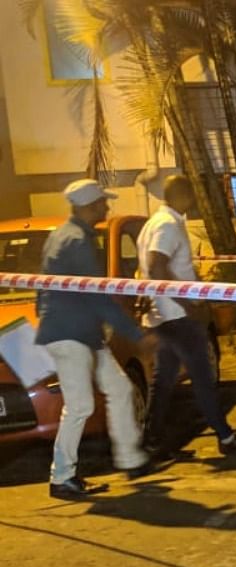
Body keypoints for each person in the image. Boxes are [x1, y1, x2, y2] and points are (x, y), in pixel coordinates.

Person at [36, 179, 158, 498]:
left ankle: (131, 459)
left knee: (118, 389)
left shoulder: (61, 236)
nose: (107, 206)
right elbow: (98, 298)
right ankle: (62, 477)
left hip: (78, 333)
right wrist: (135, 334)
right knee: (79, 406)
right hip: (72, 335)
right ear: (90, 206)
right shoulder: (77, 241)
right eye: (103, 202)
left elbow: (44, 288)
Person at [139, 175, 236, 454]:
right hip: (178, 317)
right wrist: (189, 304)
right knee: (203, 377)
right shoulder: (167, 225)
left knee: (163, 381)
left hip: (163, 316)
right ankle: (226, 438)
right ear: (182, 195)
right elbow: (156, 267)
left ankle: (150, 440)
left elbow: (158, 268)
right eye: (193, 194)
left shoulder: (153, 224)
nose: (196, 199)